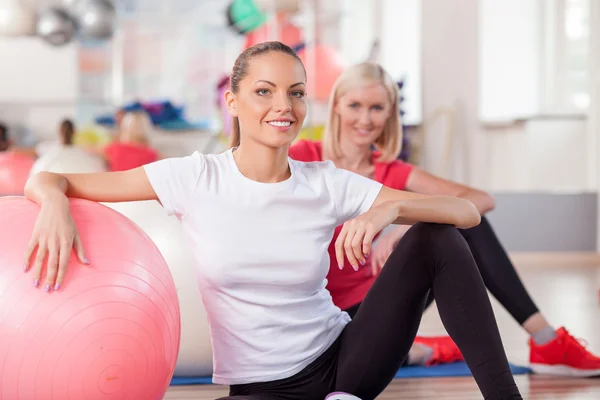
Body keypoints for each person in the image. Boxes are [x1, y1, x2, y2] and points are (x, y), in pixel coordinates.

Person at [22, 42, 522, 400]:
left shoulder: (324, 181)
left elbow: (467, 213)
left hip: (347, 360)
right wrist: (55, 205)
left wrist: (390, 208)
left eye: (296, 92)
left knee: (434, 236)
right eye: (264, 91)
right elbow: (50, 181)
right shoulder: (194, 177)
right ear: (233, 102)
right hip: (261, 386)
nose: (284, 105)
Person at [289, 62, 600, 377]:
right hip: (323, 312)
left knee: (463, 225)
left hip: (377, 303)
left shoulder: (393, 171)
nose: (365, 119)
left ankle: (546, 340)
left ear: (390, 113)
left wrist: (399, 224)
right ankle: (419, 350)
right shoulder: (302, 158)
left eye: (376, 108)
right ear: (337, 105)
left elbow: (480, 200)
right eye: (355, 105)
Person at [86, 111, 160, 171]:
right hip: (140, 188)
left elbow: (89, 149)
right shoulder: (153, 154)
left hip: (115, 186)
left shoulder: (114, 148)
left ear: (124, 129)